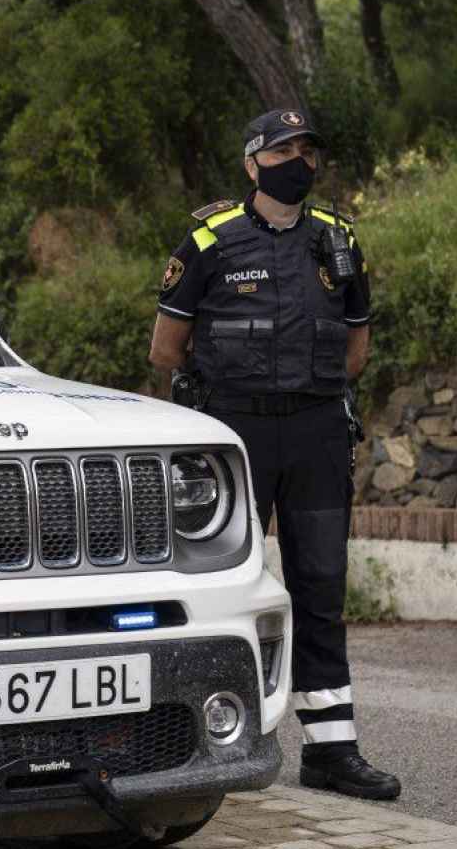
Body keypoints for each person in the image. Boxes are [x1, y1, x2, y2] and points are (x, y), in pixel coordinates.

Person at [148, 109, 400, 800]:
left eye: (309, 150)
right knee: (221, 589)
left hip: (317, 434)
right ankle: (197, 739)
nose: (301, 161)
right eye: (284, 149)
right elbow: (166, 350)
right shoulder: (210, 240)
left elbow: (357, 348)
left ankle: (331, 749)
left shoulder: (337, 240)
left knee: (321, 588)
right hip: (236, 438)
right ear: (253, 162)